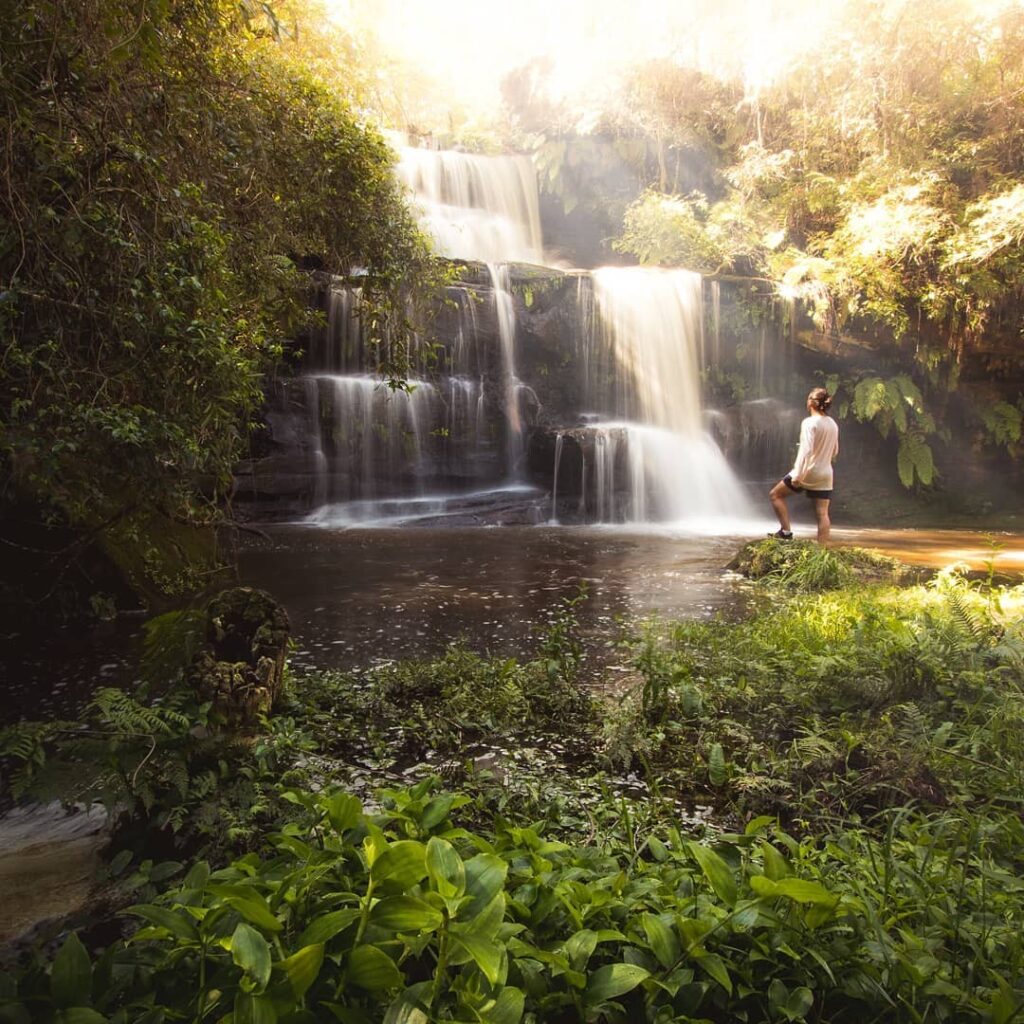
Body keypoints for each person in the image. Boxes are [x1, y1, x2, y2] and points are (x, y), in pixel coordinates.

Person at [769, 386, 839, 544]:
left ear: (812, 403)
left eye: (808, 398)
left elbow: (805, 451)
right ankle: (822, 552)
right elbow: (835, 451)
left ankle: (786, 532)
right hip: (826, 473)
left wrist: (798, 475)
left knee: (775, 495)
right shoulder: (832, 423)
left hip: (808, 471)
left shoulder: (809, 422)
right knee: (822, 513)